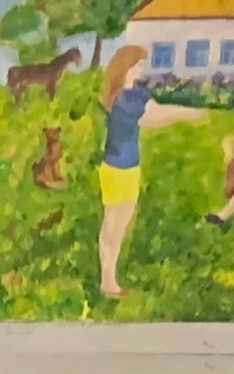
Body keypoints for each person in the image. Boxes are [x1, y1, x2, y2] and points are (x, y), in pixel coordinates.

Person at [92, 49, 206, 298]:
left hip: (122, 167)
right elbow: (154, 116)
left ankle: (108, 279)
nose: (142, 69)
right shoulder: (126, 98)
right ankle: (108, 281)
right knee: (114, 225)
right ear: (126, 67)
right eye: (138, 65)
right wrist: (188, 113)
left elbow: (153, 113)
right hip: (119, 169)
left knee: (115, 225)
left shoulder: (124, 95)